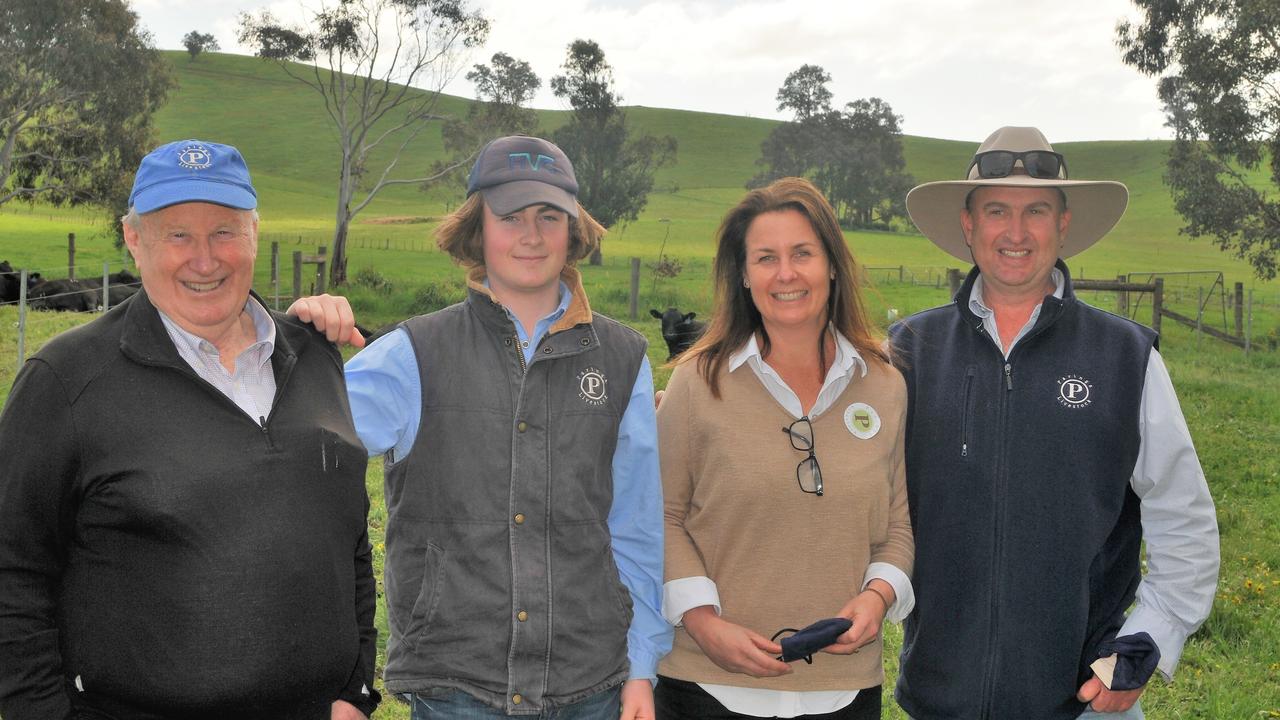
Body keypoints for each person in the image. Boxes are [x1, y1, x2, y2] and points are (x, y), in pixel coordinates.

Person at [291, 135, 671, 718]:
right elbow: (289, 443)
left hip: (590, 684)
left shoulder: (623, 360)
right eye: (511, 216)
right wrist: (290, 341)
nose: (531, 234)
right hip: (456, 686)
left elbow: (636, 526)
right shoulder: (410, 354)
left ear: (574, 230)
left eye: (550, 216)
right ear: (477, 228)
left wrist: (641, 668)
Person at [0, 139, 380, 719]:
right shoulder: (65, 380)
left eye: (225, 231)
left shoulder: (315, 354)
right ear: (134, 240)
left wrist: (355, 690)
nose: (205, 259)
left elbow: (347, 538)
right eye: (177, 234)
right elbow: (11, 574)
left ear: (255, 232)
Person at [889, 126, 1220, 719]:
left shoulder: (1125, 357)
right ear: (969, 226)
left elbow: (1183, 516)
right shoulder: (909, 351)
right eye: (997, 211)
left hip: (1086, 702)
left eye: (1036, 211)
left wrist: (1147, 638)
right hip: (939, 698)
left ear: (1062, 224)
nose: (1016, 233)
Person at [654, 177, 914, 719]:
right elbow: (662, 515)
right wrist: (703, 622)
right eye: (765, 258)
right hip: (708, 687)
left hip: (844, 692)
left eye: (802, 253)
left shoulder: (885, 385)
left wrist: (876, 598)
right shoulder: (697, 382)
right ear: (744, 276)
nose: (786, 273)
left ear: (833, 265)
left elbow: (898, 525)